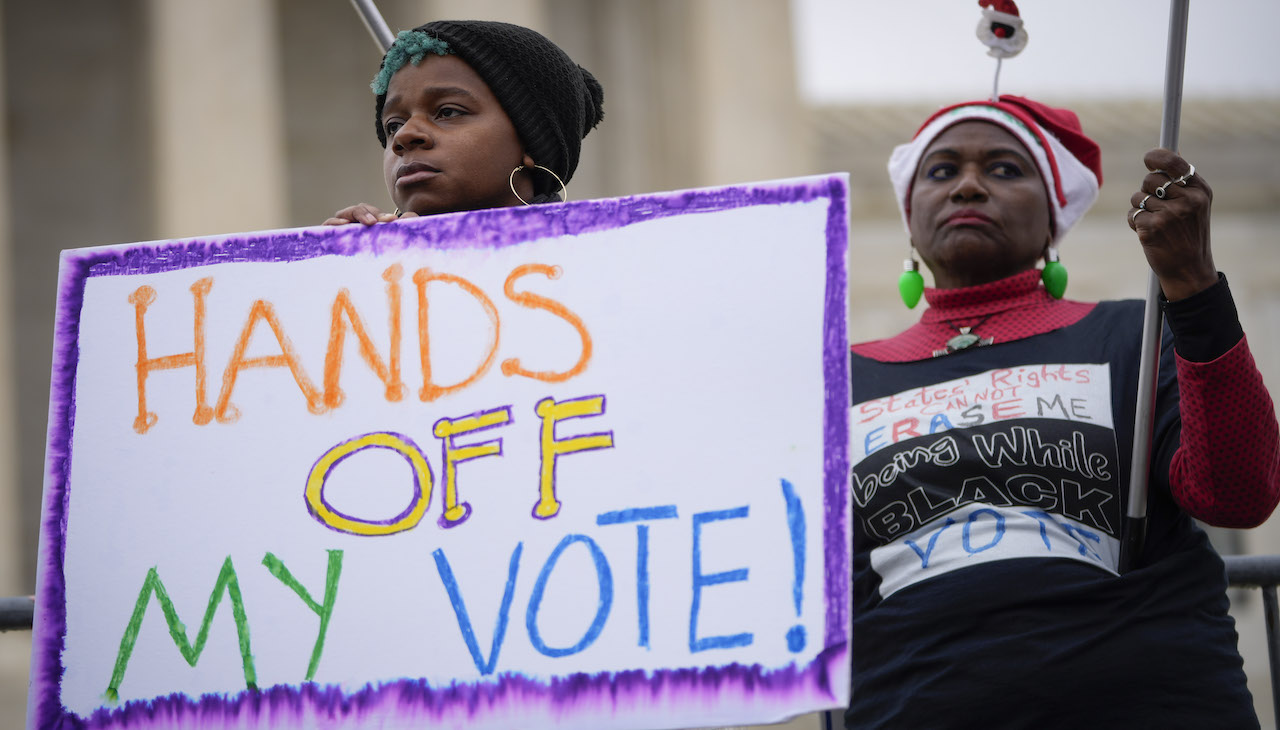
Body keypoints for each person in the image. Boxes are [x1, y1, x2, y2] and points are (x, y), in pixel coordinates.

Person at [846, 95, 1279, 727]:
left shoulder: (1137, 331)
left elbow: (1240, 494)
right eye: (940, 171)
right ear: (909, 217)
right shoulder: (839, 380)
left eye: (1003, 169)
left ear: (1054, 213)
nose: (968, 184)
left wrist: (1193, 287)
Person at [324, 19, 603, 225]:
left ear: (532, 140)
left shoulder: (596, 260)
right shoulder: (377, 264)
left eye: (447, 112)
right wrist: (342, 272)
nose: (404, 136)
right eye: (393, 125)